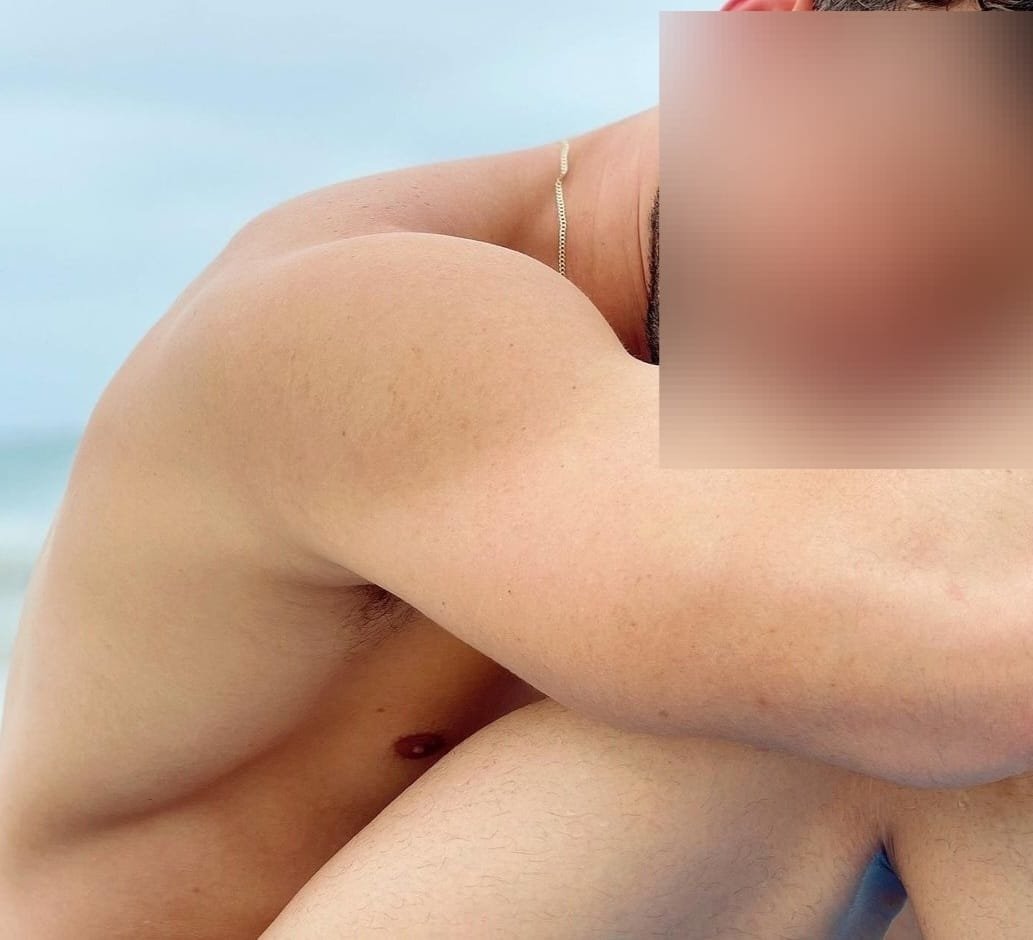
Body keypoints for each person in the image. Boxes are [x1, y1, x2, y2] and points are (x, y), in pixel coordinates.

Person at [3, 1, 1033, 937]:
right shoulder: (355, 311)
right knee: (865, 700)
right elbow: (945, 633)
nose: (939, 364)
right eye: (950, 262)